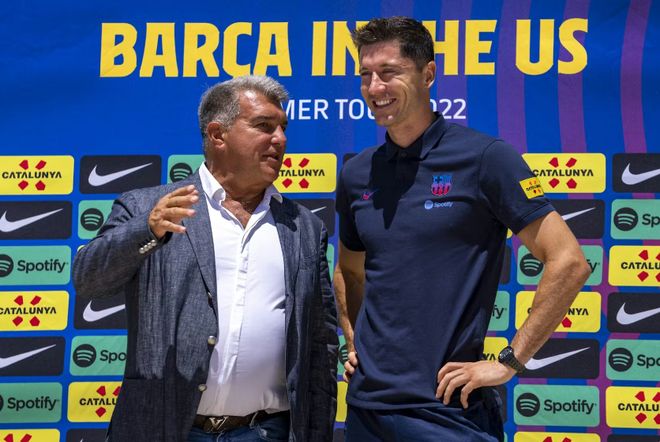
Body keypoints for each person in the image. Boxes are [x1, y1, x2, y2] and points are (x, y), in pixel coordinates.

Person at [334, 17, 591, 441]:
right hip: (366, 409)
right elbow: (349, 271)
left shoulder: (486, 158)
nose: (375, 87)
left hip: (448, 410)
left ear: (428, 74)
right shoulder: (357, 172)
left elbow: (569, 261)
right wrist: (352, 339)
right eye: (366, 75)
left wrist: (510, 361)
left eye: (389, 72)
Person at [73, 76, 338, 442]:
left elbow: (320, 345)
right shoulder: (148, 207)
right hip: (166, 430)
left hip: (267, 432)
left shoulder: (304, 227)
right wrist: (145, 230)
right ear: (217, 134)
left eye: (282, 128)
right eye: (264, 126)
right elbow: (89, 280)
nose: (280, 139)